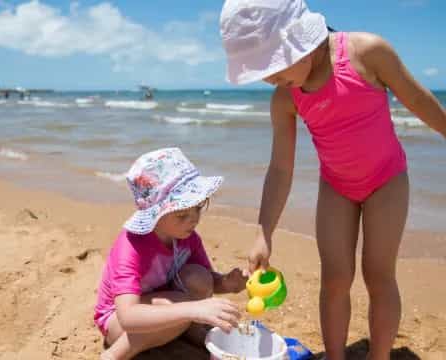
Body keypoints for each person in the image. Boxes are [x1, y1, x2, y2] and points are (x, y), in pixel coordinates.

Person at [220, 1, 446, 359]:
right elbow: (280, 168)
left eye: (274, 68)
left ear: (299, 41)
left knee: (378, 274)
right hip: (336, 186)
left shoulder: (367, 53)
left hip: (386, 179)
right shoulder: (285, 99)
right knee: (335, 278)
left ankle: (380, 355)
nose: (270, 79)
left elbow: (417, 99)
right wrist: (264, 232)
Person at [94, 147, 247, 360]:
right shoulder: (131, 246)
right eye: (182, 214)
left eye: (197, 208)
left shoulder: (188, 237)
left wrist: (227, 283)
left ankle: (184, 327)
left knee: (198, 277)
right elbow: (128, 316)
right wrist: (192, 310)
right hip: (119, 323)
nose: (193, 219)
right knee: (178, 305)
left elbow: (209, 282)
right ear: (156, 215)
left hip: (166, 302)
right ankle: (115, 354)